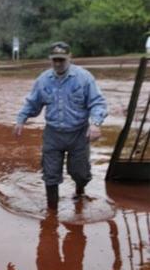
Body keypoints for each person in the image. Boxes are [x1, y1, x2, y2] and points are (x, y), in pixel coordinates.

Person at [14, 41, 107, 210]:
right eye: (54, 60)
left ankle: (80, 190)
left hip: (79, 133)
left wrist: (95, 124)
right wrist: (21, 119)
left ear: (70, 58)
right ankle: (52, 213)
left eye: (61, 60)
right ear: (50, 59)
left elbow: (98, 103)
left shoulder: (84, 78)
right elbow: (32, 103)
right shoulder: (43, 80)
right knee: (50, 175)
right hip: (53, 134)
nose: (58, 63)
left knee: (80, 173)